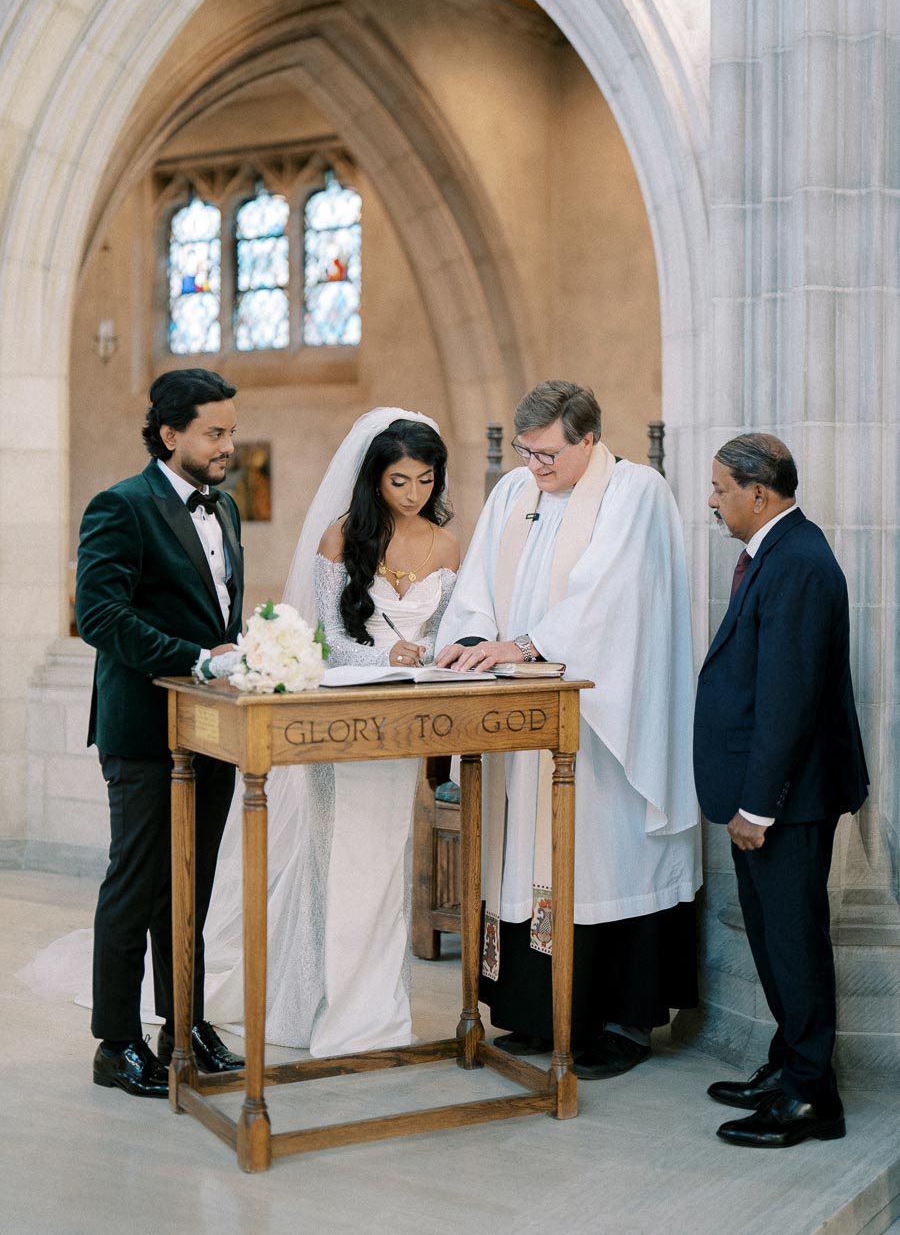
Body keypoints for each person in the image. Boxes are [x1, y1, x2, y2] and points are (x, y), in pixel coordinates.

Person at [435, 380, 701, 1079]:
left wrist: (525, 645)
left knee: (598, 860)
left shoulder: (634, 492)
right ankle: (536, 1011)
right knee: (522, 857)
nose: (535, 467)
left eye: (549, 453)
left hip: (602, 724)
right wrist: (470, 640)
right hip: (519, 721)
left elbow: (611, 597)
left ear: (589, 439)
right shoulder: (512, 495)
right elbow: (475, 590)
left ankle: (619, 1022)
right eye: (527, 452)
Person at [202, 408, 459, 1056]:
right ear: (375, 479)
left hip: (404, 727)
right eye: (400, 481)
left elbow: (451, 636)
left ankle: (375, 1014)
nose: (413, 495)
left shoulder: (447, 546)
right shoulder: (339, 540)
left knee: (384, 862)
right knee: (331, 862)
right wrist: (388, 657)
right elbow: (330, 643)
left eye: (425, 481)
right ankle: (317, 1005)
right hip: (339, 721)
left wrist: (432, 656)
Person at [73, 368, 246, 1097]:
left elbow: (218, 614)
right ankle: (116, 1043)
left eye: (231, 431)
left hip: (211, 732)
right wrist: (197, 659)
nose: (228, 445)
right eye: (215, 432)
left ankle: (184, 1025)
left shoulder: (226, 509)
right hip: (143, 730)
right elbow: (100, 617)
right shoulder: (121, 506)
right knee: (137, 885)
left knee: (192, 887)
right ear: (170, 434)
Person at [694, 434, 869, 1147]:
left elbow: (789, 699)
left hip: (785, 799)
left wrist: (757, 806)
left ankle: (810, 1099)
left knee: (794, 942)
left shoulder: (795, 563)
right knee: (773, 938)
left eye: (719, 488)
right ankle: (789, 1064)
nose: (711, 499)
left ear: (756, 493)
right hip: (770, 792)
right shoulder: (779, 553)